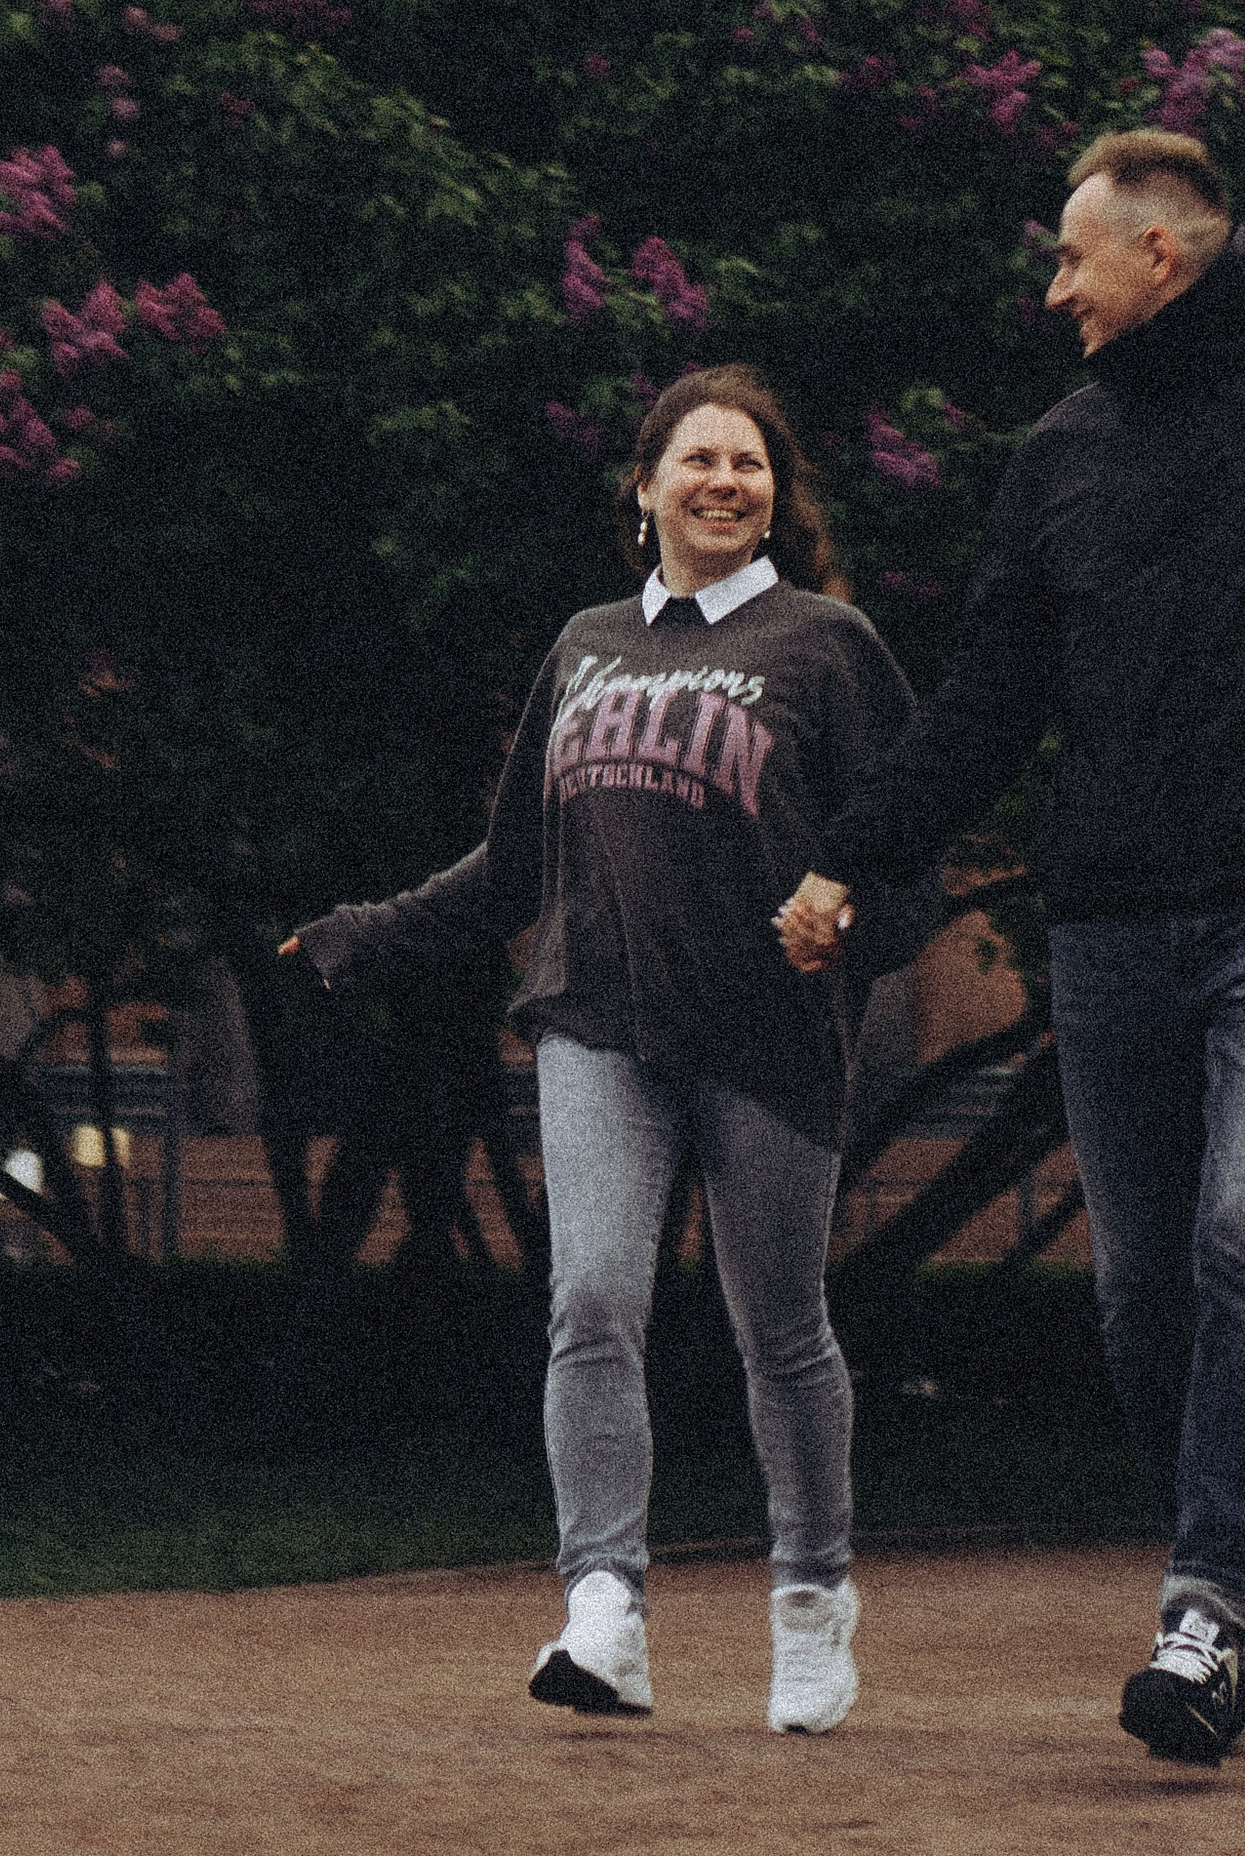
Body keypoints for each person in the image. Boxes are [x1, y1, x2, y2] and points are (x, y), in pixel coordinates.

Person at [776, 131, 1245, 1767]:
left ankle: (1201, 1600)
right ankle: (1230, 1560)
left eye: (1072, 258)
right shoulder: (1061, 453)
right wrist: (852, 857)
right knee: (1137, 1298)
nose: (1054, 289)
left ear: (1162, 259)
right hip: (1112, 917)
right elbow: (986, 704)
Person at [288, 364, 926, 1735]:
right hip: (598, 1024)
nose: (723, 482)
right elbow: (516, 860)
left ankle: (812, 1601)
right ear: (643, 489)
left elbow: (909, 867)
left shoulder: (829, 647)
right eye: (696, 460)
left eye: (749, 464)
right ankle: (605, 1608)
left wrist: (851, 921)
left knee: (783, 1331)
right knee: (590, 1302)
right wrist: (366, 933)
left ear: (776, 494)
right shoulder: (584, 645)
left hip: (769, 1040)